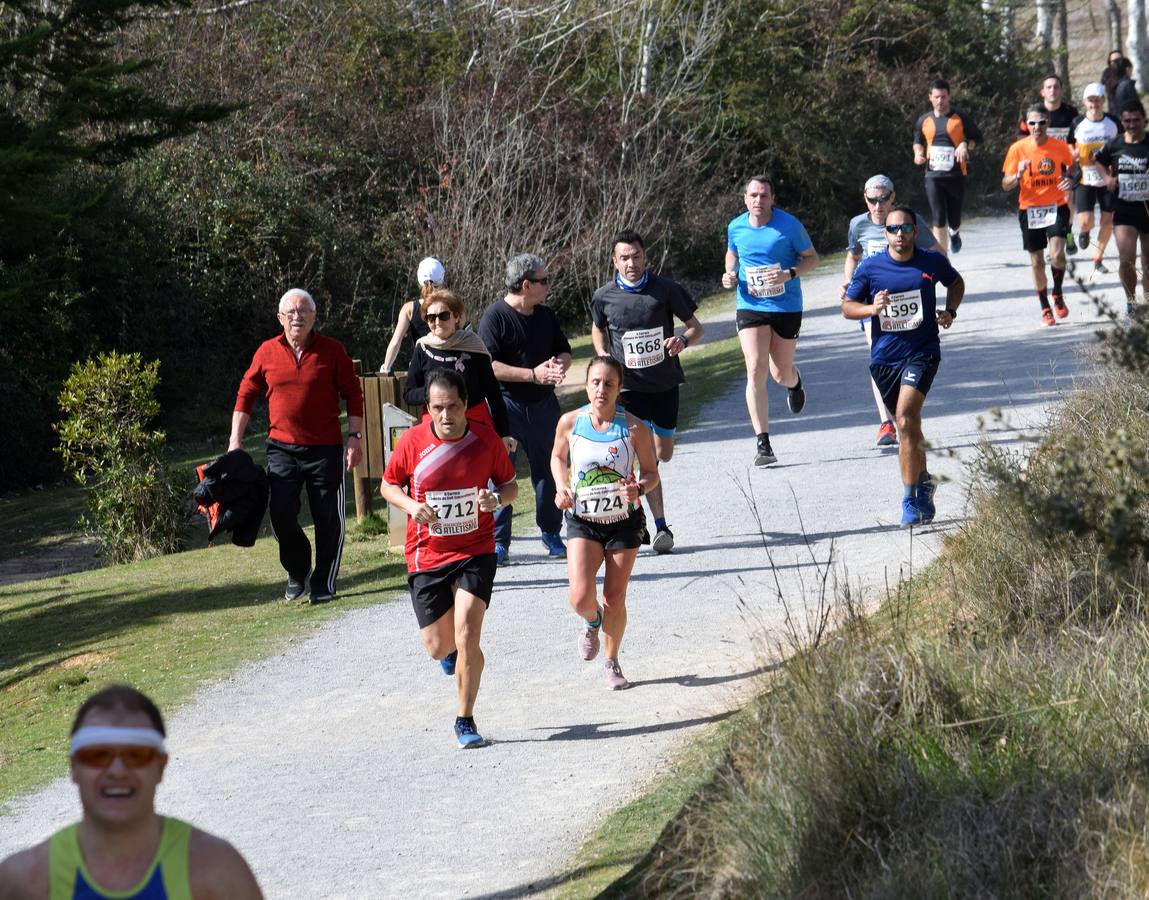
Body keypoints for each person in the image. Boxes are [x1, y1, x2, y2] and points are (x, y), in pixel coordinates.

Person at [0, 684, 263, 899]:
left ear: (161, 767)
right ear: (74, 767)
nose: (117, 770)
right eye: (98, 755)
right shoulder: (24, 882)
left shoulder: (216, 872)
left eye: (136, 755)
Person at [381, 369, 519, 748]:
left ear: (465, 406)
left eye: (453, 407)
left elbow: (510, 486)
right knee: (439, 646)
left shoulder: (485, 439)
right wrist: (411, 505)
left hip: (475, 549)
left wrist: (497, 499)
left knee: (468, 632)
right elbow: (387, 484)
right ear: (428, 407)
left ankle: (465, 720)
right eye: (438, 408)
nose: (446, 415)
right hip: (427, 554)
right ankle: (457, 653)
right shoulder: (412, 442)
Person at [230, 288, 364, 603]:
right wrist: (235, 440)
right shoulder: (266, 352)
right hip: (281, 449)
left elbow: (353, 393)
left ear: (314, 317)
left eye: (303, 311)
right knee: (280, 514)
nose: (297, 316)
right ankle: (297, 569)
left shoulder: (332, 351)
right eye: (290, 312)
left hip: (326, 449)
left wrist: (355, 438)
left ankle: (323, 583)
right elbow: (246, 393)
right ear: (280, 318)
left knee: (328, 518)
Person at [842, 204, 965, 526]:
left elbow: (956, 283)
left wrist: (950, 312)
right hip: (884, 358)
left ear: (915, 231)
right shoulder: (870, 268)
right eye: (893, 229)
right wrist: (872, 308)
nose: (900, 234)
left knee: (906, 416)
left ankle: (909, 500)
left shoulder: (931, 261)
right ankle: (924, 481)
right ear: (886, 234)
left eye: (906, 228)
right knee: (908, 427)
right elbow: (847, 307)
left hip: (923, 352)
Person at [550, 355, 660, 690]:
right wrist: (561, 487)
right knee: (580, 596)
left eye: (608, 383)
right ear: (586, 385)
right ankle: (591, 620)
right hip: (583, 519)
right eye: (595, 382)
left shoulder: (635, 427)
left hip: (625, 522)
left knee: (615, 596)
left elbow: (652, 473)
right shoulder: (570, 422)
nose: (601, 389)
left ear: (619, 387)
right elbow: (557, 456)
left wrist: (638, 488)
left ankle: (612, 663)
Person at [590, 229, 703, 554]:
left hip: (665, 385)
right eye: (624, 258)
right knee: (643, 457)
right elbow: (598, 330)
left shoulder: (665, 289)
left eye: (636, 256)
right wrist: (604, 360)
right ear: (615, 261)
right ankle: (658, 525)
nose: (631, 263)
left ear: (645, 257)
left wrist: (682, 340)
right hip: (628, 391)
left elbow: (697, 327)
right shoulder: (603, 296)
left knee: (662, 453)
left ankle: (642, 507)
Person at [478, 253, 573, 565]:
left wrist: (560, 364)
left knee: (549, 467)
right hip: (506, 406)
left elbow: (564, 349)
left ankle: (551, 532)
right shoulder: (494, 318)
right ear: (526, 284)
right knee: (501, 474)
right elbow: (488, 366)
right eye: (544, 280)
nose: (549, 285)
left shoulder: (546, 315)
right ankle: (499, 542)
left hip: (544, 405)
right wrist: (533, 374)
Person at [721, 175, 819, 467]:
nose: (758, 201)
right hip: (750, 304)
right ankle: (763, 443)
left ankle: (795, 381)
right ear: (745, 199)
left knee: (780, 373)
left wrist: (789, 274)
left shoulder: (789, 226)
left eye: (763, 196)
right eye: (753, 196)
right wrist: (730, 272)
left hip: (786, 305)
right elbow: (732, 253)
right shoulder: (736, 226)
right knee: (755, 368)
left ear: (772, 199)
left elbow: (813, 258)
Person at [841, 175, 939, 447]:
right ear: (865, 200)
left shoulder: (909, 221)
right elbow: (853, 255)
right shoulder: (857, 225)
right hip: (874, 305)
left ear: (893, 197)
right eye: (872, 200)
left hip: (908, 302)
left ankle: (904, 412)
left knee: (908, 356)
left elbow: (936, 253)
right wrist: (850, 284)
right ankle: (887, 422)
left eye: (883, 199)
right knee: (879, 355)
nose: (878, 205)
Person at [403, 288, 514, 451]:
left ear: (456, 316)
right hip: (435, 430)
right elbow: (409, 393)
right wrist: (431, 393)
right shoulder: (422, 348)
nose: (437, 322)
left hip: (474, 425)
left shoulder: (473, 346)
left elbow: (494, 394)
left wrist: (504, 433)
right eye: (431, 318)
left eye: (443, 316)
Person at [1002, 103, 1076, 326]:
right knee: (1036, 262)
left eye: (1041, 123)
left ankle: (1058, 293)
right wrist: (1018, 174)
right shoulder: (1017, 149)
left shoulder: (1058, 147)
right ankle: (1045, 306)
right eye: (1032, 123)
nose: (1037, 127)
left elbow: (1074, 167)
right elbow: (1006, 184)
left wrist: (1070, 180)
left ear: (1048, 124)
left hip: (1056, 206)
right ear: (1026, 124)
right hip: (1029, 209)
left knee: (1056, 255)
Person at [913, 78, 983, 254]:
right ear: (930, 97)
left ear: (949, 96)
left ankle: (955, 233)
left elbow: (977, 138)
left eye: (943, 97)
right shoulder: (923, 120)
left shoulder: (960, 117)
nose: (940, 101)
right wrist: (918, 154)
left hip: (956, 175)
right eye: (936, 97)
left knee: (954, 218)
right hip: (933, 176)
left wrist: (965, 144)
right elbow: (917, 142)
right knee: (938, 219)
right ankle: (942, 260)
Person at [1095, 100, 1149, 314]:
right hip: (1125, 209)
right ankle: (1131, 302)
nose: (1132, 124)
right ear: (1122, 121)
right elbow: (1098, 161)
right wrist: (1107, 178)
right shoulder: (1115, 144)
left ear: (1144, 119)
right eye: (1127, 120)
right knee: (1126, 260)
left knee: (1148, 263)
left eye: (1136, 120)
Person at [1020, 75, 1079, 253]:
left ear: (1061, 90)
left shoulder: (1071, 113)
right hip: (1039, 165)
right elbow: (1021, 137)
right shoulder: (1034, 113)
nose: (1052, 90)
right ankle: (1050, 236)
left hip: (1063, 164)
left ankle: (1066, 234)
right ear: (1042, 91)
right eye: (1049, 87)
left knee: (1067, 200)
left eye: (1056, 87)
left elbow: (1077, 138)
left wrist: (1075, 151)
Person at [1072, 82, 1120, 276]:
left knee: (1108, 221)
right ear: (1085, 102)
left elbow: (1123, 145)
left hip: (1108, 178)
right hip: (1085, 178)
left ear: (1103, 101)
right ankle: (1084, 232)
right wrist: (1072, 156)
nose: (1094, 104)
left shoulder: (1113, 122)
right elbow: (1068, 145)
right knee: (1085, 221)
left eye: (1098, 100)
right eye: (1091, 101)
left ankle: (1097, 259)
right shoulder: (1077, 123)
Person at [379, 257, 442, 375]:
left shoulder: (409, 309)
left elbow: (395, 342)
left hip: (421, 369)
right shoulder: (453, 305)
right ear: (441, 279)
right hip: (448, 368)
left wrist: (385, 369)